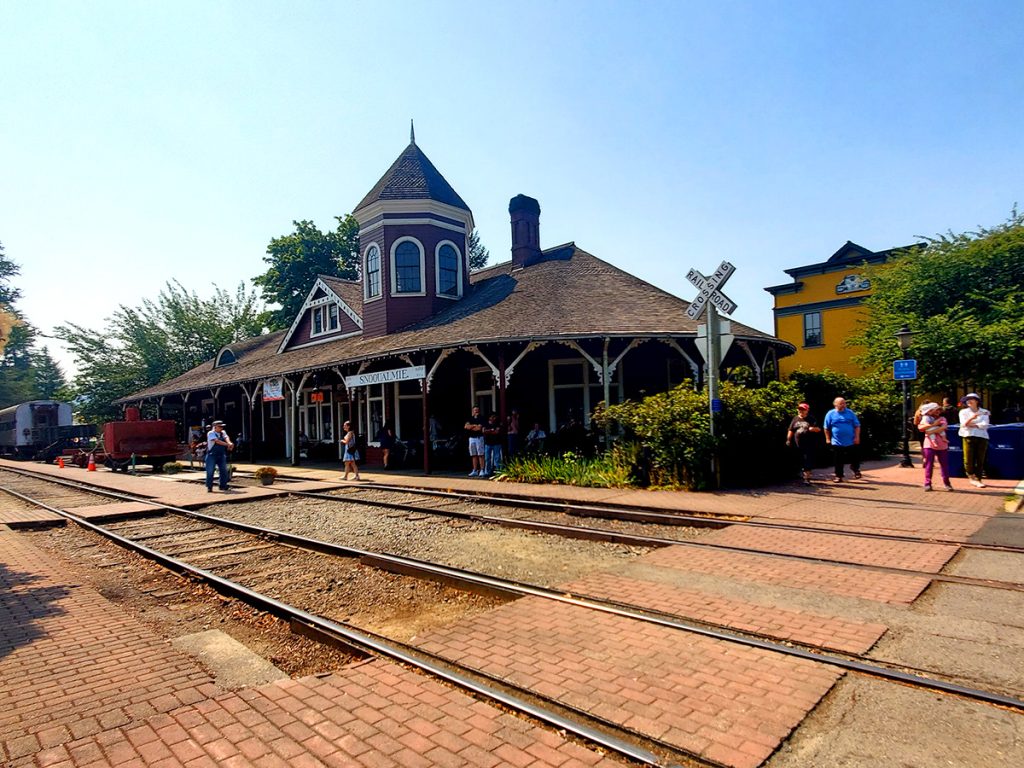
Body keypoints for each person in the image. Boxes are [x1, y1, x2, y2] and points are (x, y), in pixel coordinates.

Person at [823, 397, 861, 482]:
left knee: (854, 457)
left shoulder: (850, 413)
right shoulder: (830, 413)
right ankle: (839, 476)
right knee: (838, 460)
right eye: (841, 403)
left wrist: (857, 437)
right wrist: (827, 439)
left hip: (851, 440)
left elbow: (857, 426)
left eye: (844, 403)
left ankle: (855, 469)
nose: (843, 405)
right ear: (835, 404)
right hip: (837, 441)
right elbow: (826, 428)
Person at [918, 402, 953, 491]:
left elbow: (944, 427)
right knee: (929, 464)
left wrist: (930, 431)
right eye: (936, 410)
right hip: (929, 444)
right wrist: (934, 424)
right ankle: (927, 483)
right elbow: (921, 428)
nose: (938, 412)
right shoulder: (926, 418)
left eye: (939, 410)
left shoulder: (942, 418)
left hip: (942, 444)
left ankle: (947, 483)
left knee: (944, 464)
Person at [959, 393, 991, 488]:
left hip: (982, 436)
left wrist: (973, 424)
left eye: (971, 399)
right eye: (967, 400)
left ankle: (978, 478)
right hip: (968, 436)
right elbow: (964, 424)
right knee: (968, 458)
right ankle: (971, 476)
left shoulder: (984, 412)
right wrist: (972, 419)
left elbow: (985, 424)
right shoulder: (963, 412)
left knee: (980, 458)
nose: (968, 401)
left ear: (977, 401)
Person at [786, 402, 821, 486]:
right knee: (799, 460)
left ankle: (807, 478)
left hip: (808, 444)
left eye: (803, 409)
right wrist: (788, 439)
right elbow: (791, 430)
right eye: (799, 409)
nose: (800, 411)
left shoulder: (811, 419)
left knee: (807, 461)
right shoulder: (795, 418)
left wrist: (813, 429)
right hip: (797, 444)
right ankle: (797, 476)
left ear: (807, 410)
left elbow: (819, 429)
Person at [205, 420, 233, 492]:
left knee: (223, 470)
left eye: (222, 426)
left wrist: (230, 443)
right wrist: (227, 445)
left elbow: (226, 437)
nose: (221, 428)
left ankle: (223, 486)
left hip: (221, 454)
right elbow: (217, 441)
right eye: (219, 426)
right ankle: (209, 486)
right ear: (215, 427)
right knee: (210, 471)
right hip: (212, 455)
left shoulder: (223, 432)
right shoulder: (211, 433)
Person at [464, 406, 486, 476]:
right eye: (474, 410)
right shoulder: (470, 418)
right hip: (471, 438)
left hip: (479, 438)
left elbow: (479, 428)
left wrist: (471, 427)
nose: (476, 411)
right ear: (472, 411)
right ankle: (475, 470)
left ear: (479, 411)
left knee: (480, 454)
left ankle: (482, 470)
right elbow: (466, 427)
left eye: (477, 410)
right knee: (473, 455)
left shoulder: (481, 418)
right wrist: (474, 425)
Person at [482, 412, 505, 477]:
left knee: (497, 458)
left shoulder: (498, 423)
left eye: (495, 417)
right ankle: (487, 472)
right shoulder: (485, 423)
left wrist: (488, 431)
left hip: (496, 443)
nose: (494, 418)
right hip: (487, 443)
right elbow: (483, 431)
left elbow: (496, 432)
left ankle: (498, 472)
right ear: (490, 418)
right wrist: (491, 430)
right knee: (487, 458)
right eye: (493, 417)